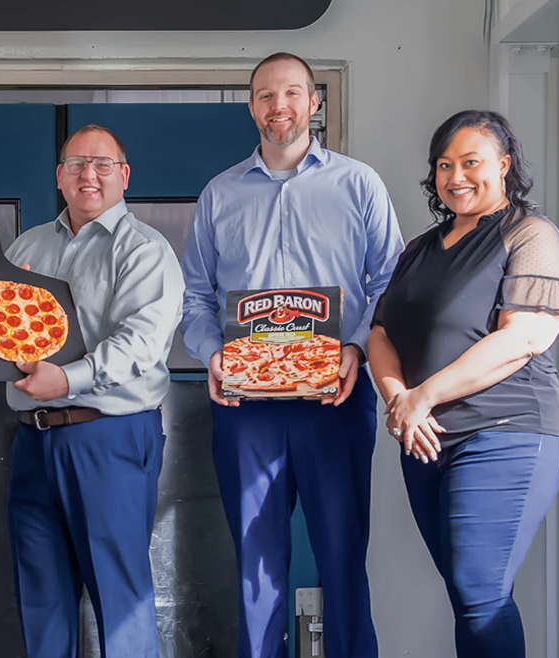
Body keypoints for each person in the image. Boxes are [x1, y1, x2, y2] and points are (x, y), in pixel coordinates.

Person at [179, 52, 405, 658]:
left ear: (314, 102)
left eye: (292, 94)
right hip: (246, 406)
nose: (279, 106)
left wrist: (357, 348)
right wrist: (212, 355)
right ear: (252, 106)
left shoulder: (359, 184)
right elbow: (195, 296)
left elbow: (391, 281)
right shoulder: (219, 194)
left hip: (335, 399)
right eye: (265, 95)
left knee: (342, 556)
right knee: (257, 568)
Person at [367, 110, 559, 658]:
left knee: (479, 591)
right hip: (425, 439)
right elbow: (381, 335)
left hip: (506, 430)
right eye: (444, 165)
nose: (455, 176)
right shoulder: (417, 249)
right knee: (469, 594)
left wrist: (423, 397)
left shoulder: (530, 235)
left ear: (504, 165)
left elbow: (524, 337)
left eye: (470, 162)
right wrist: (400, 403)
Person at [0, 124, 183, 657]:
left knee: (121, 600)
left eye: (101, 164)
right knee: (41, 599)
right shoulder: (29, 246)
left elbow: (140, 342)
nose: (88, 175)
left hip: (108, 437)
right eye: (75, 164)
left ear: (124, 175)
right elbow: (3, 336)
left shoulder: (144, 250)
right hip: (32, 441)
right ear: (59, 176)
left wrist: (68, 379)